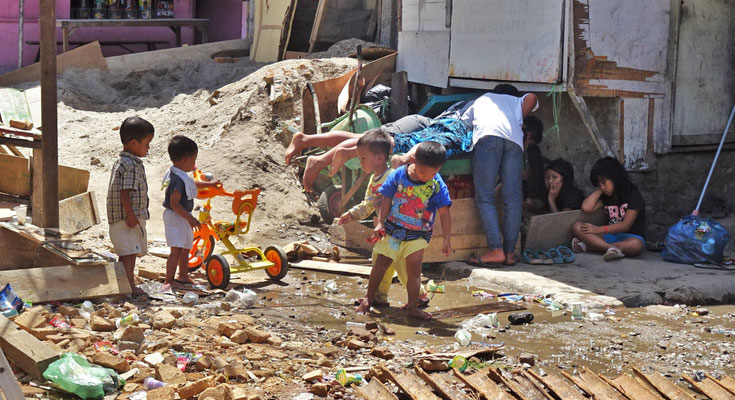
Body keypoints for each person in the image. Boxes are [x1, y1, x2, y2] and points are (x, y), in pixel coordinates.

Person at [356, 141, 452, 319]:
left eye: (433, 173)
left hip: (418, 235)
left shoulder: (436, 184)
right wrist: (380, 223)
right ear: (414, 161)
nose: (427, 177)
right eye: (423, 172)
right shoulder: (399, 175)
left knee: (414, 271)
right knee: (380, 265)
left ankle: (413, 307)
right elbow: (386, 198)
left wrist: (447, 238)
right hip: (393, 230)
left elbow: (444, 212)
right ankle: (368, 299)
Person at [339, 130, 431, 308]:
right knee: (381, 263)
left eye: (363, 158)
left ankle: (419, 295)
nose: (360, 162)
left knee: (402, 266)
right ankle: (379, 296)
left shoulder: (393, 177)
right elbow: (369, 204)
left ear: (380, 158)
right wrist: (351, 214)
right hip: (386, 232)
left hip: (401, 231)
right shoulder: (374, 180)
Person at [465, 84, 539, 266]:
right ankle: (509, 253)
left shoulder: (481, 100)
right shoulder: (515, 101)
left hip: (488, 138)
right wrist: (519, 120)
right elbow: (532, 97)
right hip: (514, 143)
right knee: (513, 199)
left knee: (485, 198)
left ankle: (496, 250)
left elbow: (465, 123)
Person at [161, 135, 220, 288]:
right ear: (186, 160)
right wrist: (190, 218)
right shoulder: (176, 179)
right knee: (176, 248)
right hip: (176, 216)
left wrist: (210, 185)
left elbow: (191, 184)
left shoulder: (180, 174)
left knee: (186, 245)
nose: (195, 164)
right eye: (194, 160)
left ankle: (183, 275)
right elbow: (174, 203)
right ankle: (169, 280)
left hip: (183, 216)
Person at [106, 116, 155, 295]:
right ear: (134, 143)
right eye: (147, 143)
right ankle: (129, 286)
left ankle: (125, 283)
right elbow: (124, 192)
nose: (148, 148)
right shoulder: (130, 165)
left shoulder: (124, 161)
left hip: (124, 218)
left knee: (128, 253)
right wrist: (131, 215)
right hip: (126, 219)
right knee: (128, 253)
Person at [571, 156, 646, 261]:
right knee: (577, 226)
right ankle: (610, 249)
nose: (602, 187)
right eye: (599, 184)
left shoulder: (633, 194)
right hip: (609, 236)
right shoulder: (606, 196)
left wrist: (598, 229)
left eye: (604, 182)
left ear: (615, 177)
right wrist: (601, 189)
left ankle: (591, 247)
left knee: (636, 246)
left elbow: (626, 226)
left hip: (630, 237)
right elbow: (586, 208)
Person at [521, 116, 547, 212]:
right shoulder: (508, 147)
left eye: (531, 140)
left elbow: (530, 177)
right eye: (529, 137)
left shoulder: (533, 151)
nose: (527, 143)